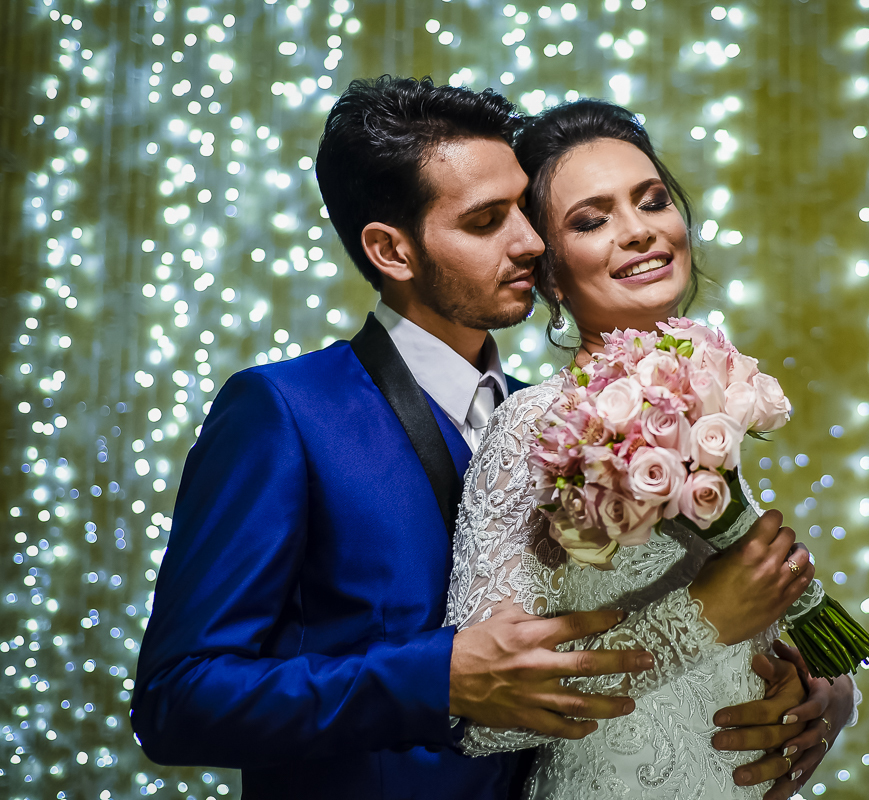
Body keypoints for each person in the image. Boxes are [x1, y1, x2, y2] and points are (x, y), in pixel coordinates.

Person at [131, 77, 815, 800]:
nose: (530, 241)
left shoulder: (576, 418)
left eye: (525, 209)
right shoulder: (286, 411)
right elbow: (178, 700)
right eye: (488, 221)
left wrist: (814, 697)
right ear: (392, 251)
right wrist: (436, 676)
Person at [442, 99, 862, 799]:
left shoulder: (709, 388)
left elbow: (769, 602)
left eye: (653, 200)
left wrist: (832, 685)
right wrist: (701, 620)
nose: (639, 233)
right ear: (548, 274)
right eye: (592, 219)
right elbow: (483, 721)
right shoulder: (533, 428)